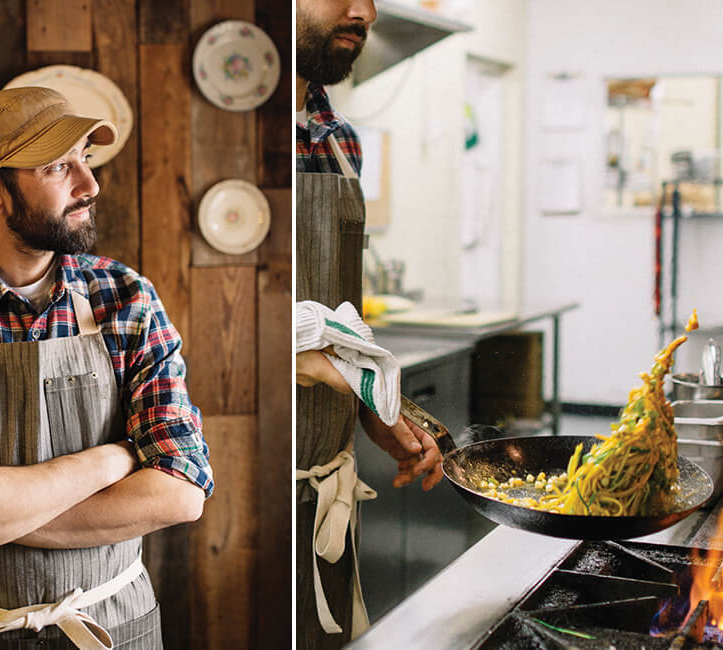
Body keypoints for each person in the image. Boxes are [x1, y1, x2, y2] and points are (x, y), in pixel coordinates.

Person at [0, 86, 213, 650]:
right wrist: (114, 458)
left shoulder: (125, 298)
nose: (90, 184)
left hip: (114, 628)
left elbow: (181, 491)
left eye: (85, 158)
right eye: (58, 166)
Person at [295, 1, 443, 647]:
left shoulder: (338, 139)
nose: (366, 11)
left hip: (325, 474)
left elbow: (334, 322)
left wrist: (375, 409)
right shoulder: (219, 131)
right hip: (231, 479)